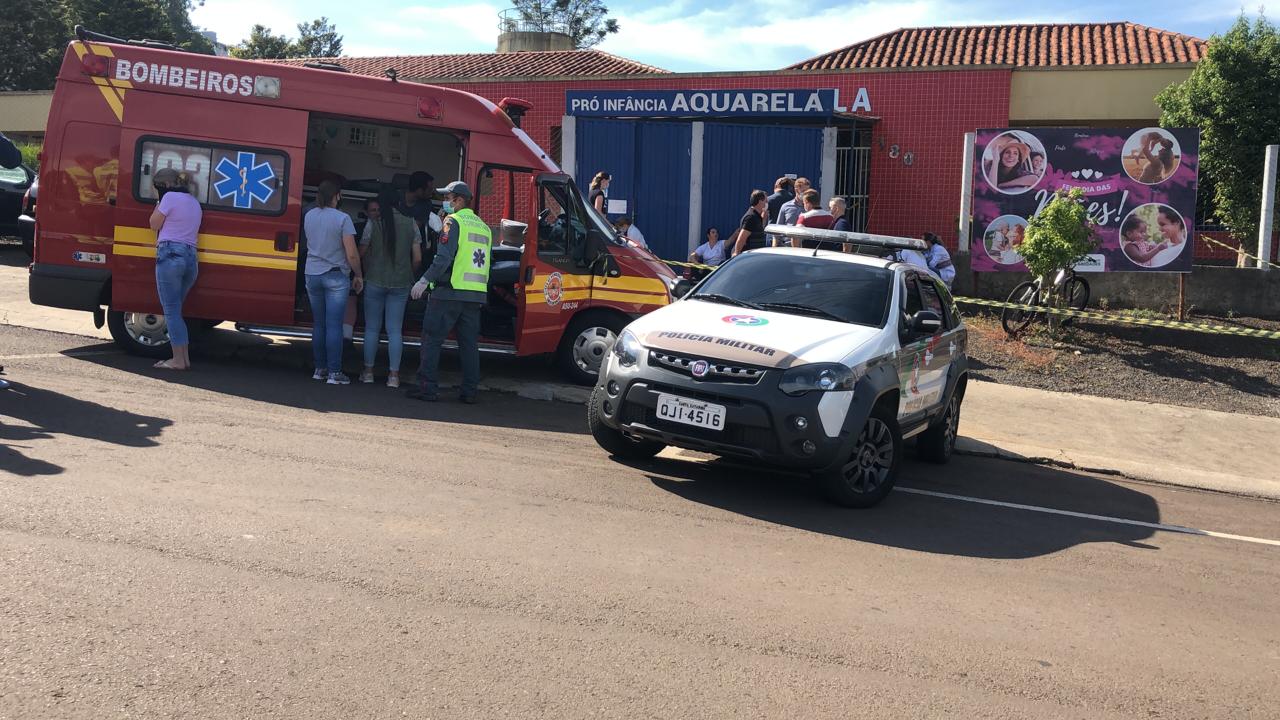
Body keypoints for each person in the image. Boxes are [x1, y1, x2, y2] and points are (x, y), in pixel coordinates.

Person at [408, 180, 490, 403]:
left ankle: (427, 388)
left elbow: (444, 258)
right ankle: (470, 392)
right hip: (474, 295)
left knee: (432, 339)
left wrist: (424, 281)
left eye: (447, 198)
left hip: (448, 292)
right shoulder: (484, 227)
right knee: (469, 346)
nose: (444, 202)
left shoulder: (454, 222)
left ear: (459, 200)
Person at [359, 191, 421, 388]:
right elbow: (418, 258)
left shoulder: (373, 224)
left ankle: (368, 372)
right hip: (401, 283)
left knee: (371, 329)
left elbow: (361, 251)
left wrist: (364, 271)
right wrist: (408, 275)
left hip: (375, 280)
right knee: (395, 330)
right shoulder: (411, 223)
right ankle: (393, 376)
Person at [305, 180, 364, 385]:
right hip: (335, 275)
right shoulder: (343, 218)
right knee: (334, 326)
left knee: (319, 324)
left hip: (312, 274)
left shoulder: (309, 215)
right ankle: (334, 372)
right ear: (337, 196)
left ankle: (319, 369)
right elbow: (352, 254)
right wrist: (358, 274)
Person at [149, 168, 203, 371]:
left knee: (171, 311)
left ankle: (178, 360)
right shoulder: (194, 201)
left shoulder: (169, 198)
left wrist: (158, 202)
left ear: (165, 185)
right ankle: (184, 358)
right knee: (176, 311)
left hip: (171, 254)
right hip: (190, 258)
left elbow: (154, 224)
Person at [400, 170, 441, 257]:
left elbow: (414, 229)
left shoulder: (426, 204)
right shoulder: (395, 198)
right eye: (429, 189)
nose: (432, 192)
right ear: (419, 190)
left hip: (412, 246)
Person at [731, 190, 769, 257]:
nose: (767, 203)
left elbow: (759, 231)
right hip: (749, 256)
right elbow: (741, 238)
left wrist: (764, 219)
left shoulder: (757, 216)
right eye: (765, 201)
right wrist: (736, 253)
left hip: (755, 255)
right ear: (760, 201)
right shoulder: (751, 217)